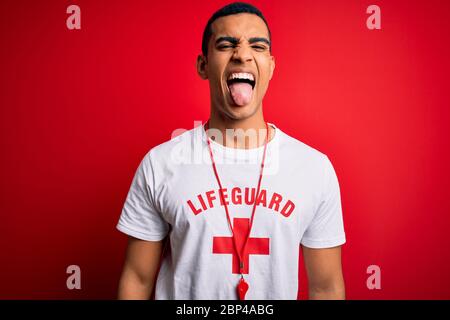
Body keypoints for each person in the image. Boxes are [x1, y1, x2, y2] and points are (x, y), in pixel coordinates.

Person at [116, 2, 346, 300]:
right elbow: (137, 279)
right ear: (203, 65)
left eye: (257, 46)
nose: (242, 54)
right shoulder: (160, 163)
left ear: (271, 66)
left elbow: (326, 288)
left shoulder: (314, 169)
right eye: (226, 45)